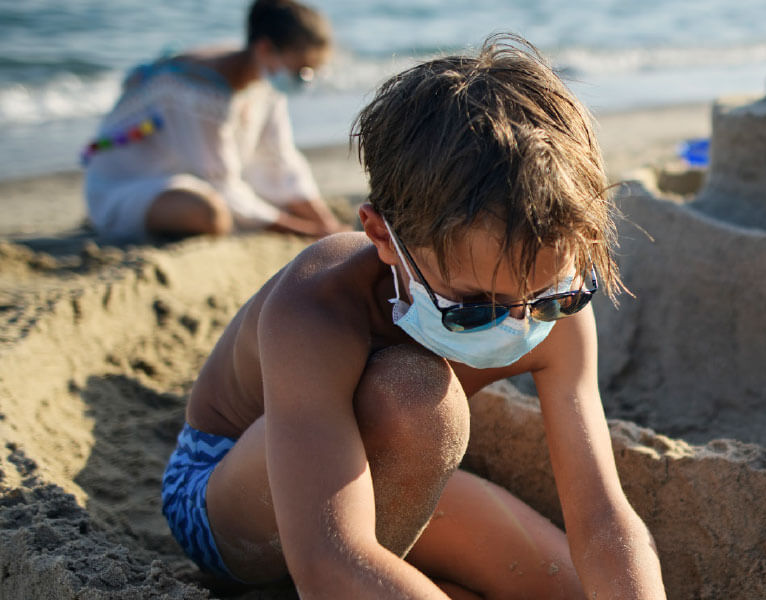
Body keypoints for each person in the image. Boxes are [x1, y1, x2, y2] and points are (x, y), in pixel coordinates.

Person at [159, 34, 668, 599]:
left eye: (550, 297)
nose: (520, 321)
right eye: (473, 307)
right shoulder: (317, 308)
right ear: (383, 236)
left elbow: (600, 517)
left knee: (573, 589)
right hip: (234, 495)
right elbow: (329, 561)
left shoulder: (551, 295)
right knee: (415, 397)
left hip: (386, 488)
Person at [82, 0, 347, 243]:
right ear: (265, 48)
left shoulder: (264, 74)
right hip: (123, 184)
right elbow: (223, 185)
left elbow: (280, 157)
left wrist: (327, 223)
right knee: (213, 214)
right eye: (302, 73)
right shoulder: (197, 90)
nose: (306, 81)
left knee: (273, 198)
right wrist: (312, 232)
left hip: (187, 173)